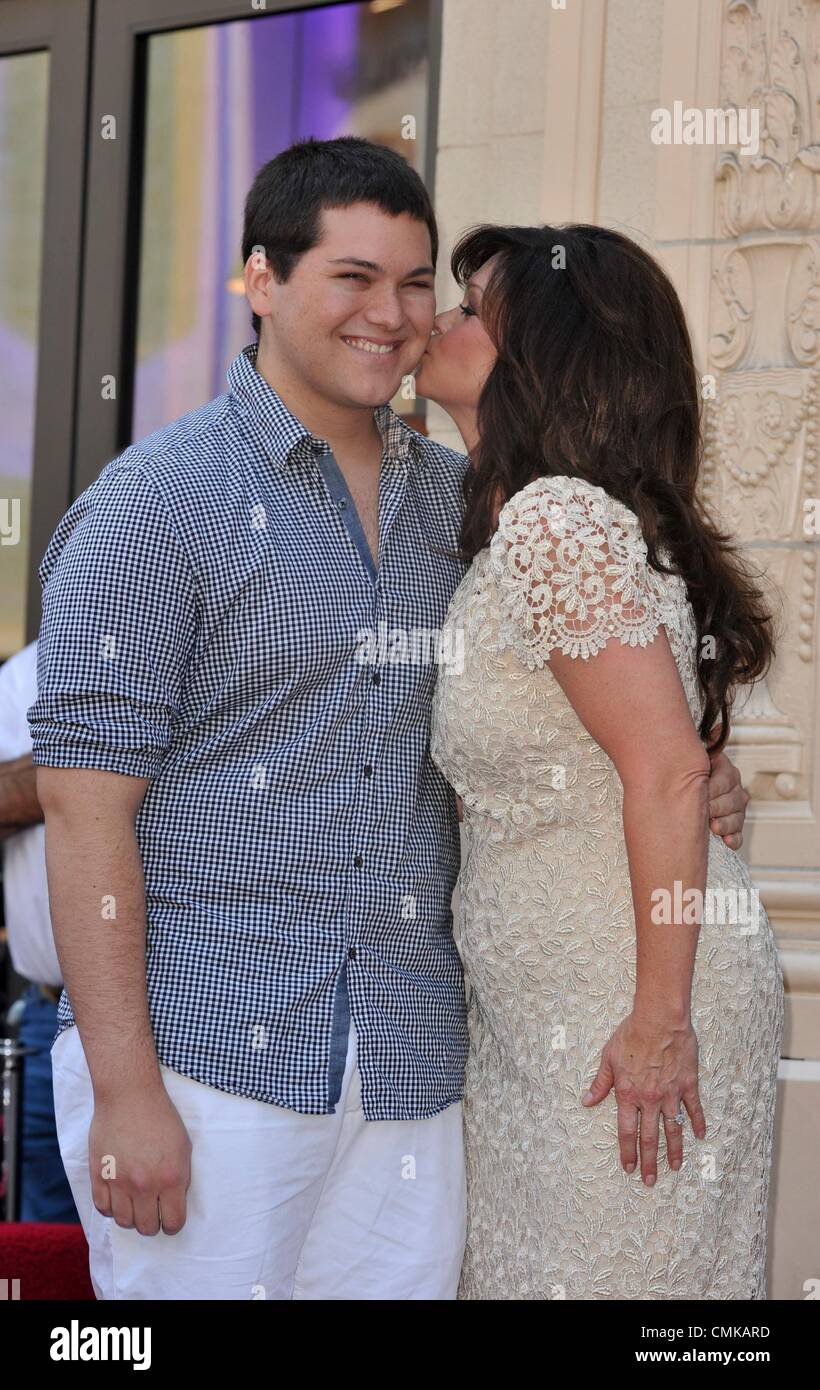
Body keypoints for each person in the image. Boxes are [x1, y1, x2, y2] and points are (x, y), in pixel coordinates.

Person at [27, 138, 750, 1300]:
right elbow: (82, 805)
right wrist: (123, 1086)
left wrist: (687, 777)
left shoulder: (461, 504)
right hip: (213, 1060)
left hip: (419, 1063)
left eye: (418, 283)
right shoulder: (153, 507)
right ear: (261, 282)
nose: (396, 313)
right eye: (352, 278)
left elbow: (548, 726)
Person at [416, 221, 785, 1299]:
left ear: (540, 348)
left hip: (630, 1014)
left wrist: (660, 1021)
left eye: (468, 306)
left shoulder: (555, 522)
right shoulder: (511, 521)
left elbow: (666, 771)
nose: (434, 319)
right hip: (537, 1022)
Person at [0, 641, 79, 1223]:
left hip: (171, 1012)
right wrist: (90, 761)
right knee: (41, 1238)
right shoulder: (20, 676)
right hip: (44, 1012)